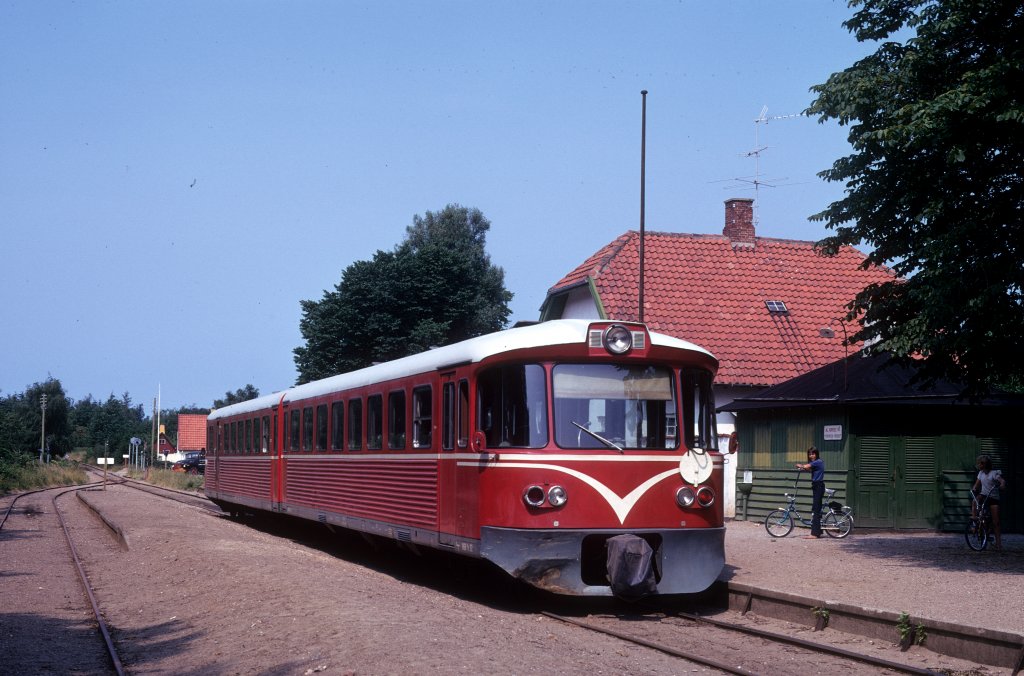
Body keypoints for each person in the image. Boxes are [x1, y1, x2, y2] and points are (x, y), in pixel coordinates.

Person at [971, 455, 1007, 550]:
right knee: (975, 501)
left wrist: (1002, 485)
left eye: (980, 463)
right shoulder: (980, 473)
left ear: (984, 464)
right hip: (983, 496)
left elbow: (1002, 481)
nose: (978, 465)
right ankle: (975, 522)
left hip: (993, 498)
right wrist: (974, 488)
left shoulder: (994, 473)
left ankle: (998, 544)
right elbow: (976, 484)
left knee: (996, 522)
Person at [796, 446, 825, 539]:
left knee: (816, 509)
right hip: (816, 486)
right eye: (809, 454)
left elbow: (806, 466)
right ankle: (819, 531)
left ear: (816, 454)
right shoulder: (815, 463)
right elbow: (809, 469)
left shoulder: (818, 462)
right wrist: (804, 468)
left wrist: (800, 466)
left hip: (818, 486)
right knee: (816, 508)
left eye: (813, 454)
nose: (811, 455)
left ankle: (814, 534)